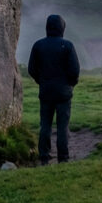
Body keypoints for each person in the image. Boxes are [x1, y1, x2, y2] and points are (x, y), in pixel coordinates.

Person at [27, 14, 81, 165]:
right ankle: (63, 158)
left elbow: (31, 69)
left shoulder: (38, 45)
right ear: (62, 28)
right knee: (63, 126)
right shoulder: (68, 46)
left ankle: (44, 156)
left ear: (47, 27)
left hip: (45, 91)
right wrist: (70, 84)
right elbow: (75, 71)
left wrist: (41, 81)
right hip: (64, 93)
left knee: (45, 125)